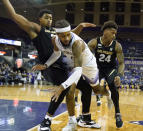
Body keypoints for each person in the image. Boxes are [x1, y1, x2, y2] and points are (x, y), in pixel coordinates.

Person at [2, 1, 96, 131]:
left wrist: (80, 26)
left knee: (86, 88)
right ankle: (46, 121)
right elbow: (13, 15)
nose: (49, 20)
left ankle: (85, 118)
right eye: (46, 17)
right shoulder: (35, 29)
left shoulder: (56, 32)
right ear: (39, 19)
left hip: (62, 65)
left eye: (51, 18)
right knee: (63, 89)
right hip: (49, 66)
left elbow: (69, 34)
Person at [32, 19, 110, 129]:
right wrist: (46, 65)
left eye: (68, 35)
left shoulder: (77, 43)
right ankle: (72, 122)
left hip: (88, 65)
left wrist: (61, 86)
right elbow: (56, 53)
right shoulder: (55, 40)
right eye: (63, 36)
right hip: (73, 64)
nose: (67, 38)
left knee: (97, 90)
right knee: (70, 91)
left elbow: (78, 71)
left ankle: (109, 93)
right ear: (57, 34)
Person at [87, 20, 125, 128]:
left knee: (113, 85)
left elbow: (121, 63)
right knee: (91, 87)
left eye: (115, 34)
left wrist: (119, 75)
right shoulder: (94, 42)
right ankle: (107, 96)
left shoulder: (117, 45)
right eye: (112, 33)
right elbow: (87, 58)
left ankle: (117, 114)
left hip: (110, 69)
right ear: (105, 31)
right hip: (97, 68)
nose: (114, 35)